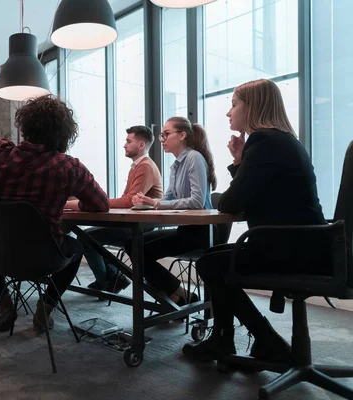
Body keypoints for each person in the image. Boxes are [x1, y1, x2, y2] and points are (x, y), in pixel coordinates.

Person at [182, 79, 326, 370]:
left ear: (254, 107)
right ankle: (236, 339)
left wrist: (240, 164)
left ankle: (263, 339)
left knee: (211, 264)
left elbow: (232, 202)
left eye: (234, 104)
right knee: (213, 260)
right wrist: (239, 161)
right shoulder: (282, 140)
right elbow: (251, 196)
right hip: (311, 244)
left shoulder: (265, 141)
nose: (228, 113)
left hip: (293, 249)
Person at [0, 52, 109, 332]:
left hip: (1, 254)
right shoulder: (70, 167)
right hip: (46, 258)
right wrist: (71, 202)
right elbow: (100, 205)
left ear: (24, 127)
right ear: (65, 135)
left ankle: (4, 302)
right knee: (76, 247)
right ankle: (46, 305)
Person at [126, 117, 217, 305]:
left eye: (166, 134)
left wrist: (156, 204)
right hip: (185, 229)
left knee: (139, 250)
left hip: (201, 233)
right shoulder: (176, 163)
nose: (162, 139)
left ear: (182, 135)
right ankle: (177, 295)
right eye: (161, 135)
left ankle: (175, 295)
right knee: (132, 244)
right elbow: (168, 198)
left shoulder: (193, 157)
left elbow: (197, 202)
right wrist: (147, 201)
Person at [65, 125, 162, 293]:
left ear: (141, 145)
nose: (124, 145)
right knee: (87, 237)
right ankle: (112, 278)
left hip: (142, 224)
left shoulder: (145, 166)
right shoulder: (137, 166)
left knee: (87, 238)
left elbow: (128, 202)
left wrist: (99, 202)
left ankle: (110, 278)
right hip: (134, 221)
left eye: (128, 141)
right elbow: (128, 198)